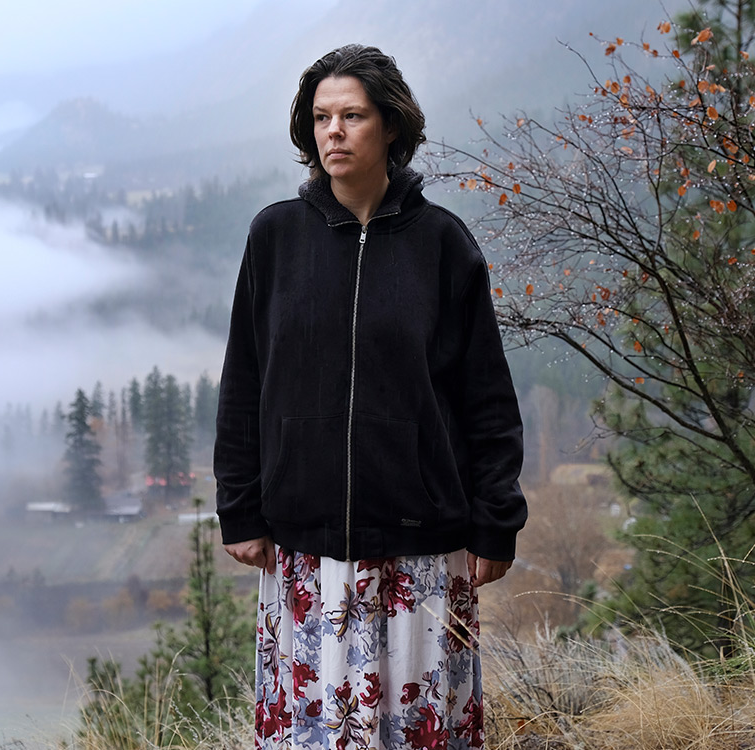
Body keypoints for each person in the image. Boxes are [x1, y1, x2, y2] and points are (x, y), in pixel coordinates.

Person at [214, 43, 527, 750]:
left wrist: (495, 520)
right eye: (322, 116)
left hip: (419, 553)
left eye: (352, 115)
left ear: (390, 126)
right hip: (305, 556)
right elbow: (244, 382)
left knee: (419, 734)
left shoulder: (444, 245)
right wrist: (239, 505)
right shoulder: (274, 238)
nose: (333, 131)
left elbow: (485, 397)